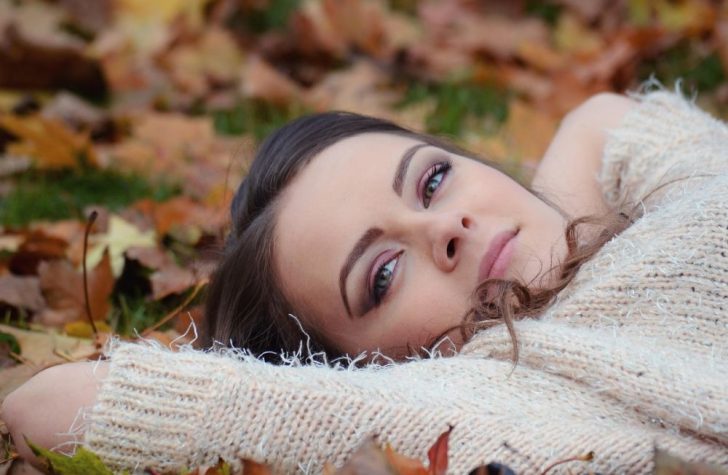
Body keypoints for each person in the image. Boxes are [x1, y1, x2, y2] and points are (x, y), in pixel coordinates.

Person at [2, 87, 728, 474]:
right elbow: (47, 406)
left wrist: (570, 229)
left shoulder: (668, 202)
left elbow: (600, 118)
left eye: (433, 179)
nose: (446, 227)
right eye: (382, 274)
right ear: (362, 372)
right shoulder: (483, 401)